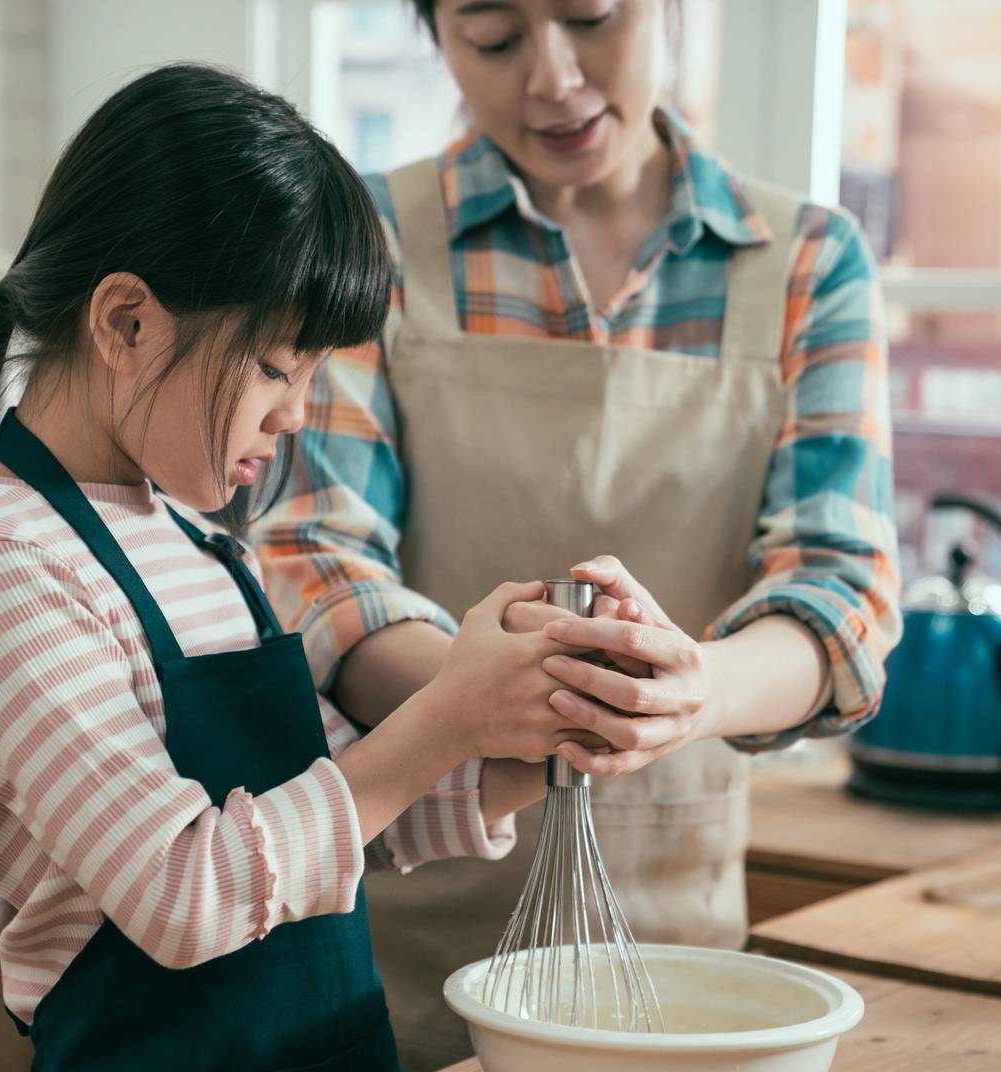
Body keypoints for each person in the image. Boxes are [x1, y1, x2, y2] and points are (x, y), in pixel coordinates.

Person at [0, 63, 601, 1072]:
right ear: (126, 322)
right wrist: (449, 711)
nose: (294, 413)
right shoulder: (1, 565)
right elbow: (183, 891)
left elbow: (350, 809)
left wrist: (552, 720)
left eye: (313, 375)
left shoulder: (192, 536)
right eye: (275, 366)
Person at [254, 2, 903, 1066]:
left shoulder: (807, 264)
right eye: (494, 38)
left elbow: (841, 590)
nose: (551, 78)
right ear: (436, 36)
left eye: (591, 17)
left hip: (679, 964)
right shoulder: (368, 240)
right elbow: (315, 560)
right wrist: (492, 700)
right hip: (398, 948)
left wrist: (690, 691)